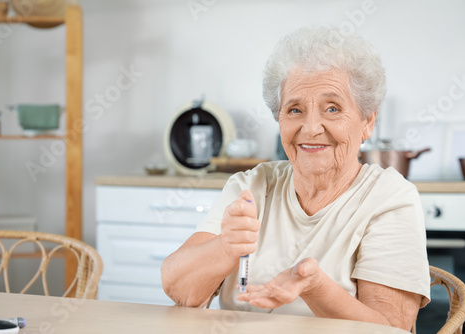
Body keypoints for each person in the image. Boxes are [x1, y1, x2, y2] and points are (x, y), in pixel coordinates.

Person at [161, 26, 430, 331]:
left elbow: (390, 329)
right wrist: (224, 247)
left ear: (368, 121)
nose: (311, 127)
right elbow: (178, 288)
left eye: (332, 108)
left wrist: (315, 286)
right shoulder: (251, 186)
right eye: (295, 109)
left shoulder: (390, 199)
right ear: (279, 119)